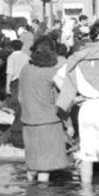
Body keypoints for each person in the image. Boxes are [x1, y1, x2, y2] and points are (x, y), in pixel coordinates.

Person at [56, 20, 99, 186]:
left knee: (86, 156)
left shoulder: (76, 57)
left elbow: (58, 78)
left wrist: (74, 97)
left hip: (86, 108)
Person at [17, 36, 68, 182]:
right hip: (48, 122)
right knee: (44, 169)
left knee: (32, 165)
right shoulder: (51, 71)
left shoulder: (25, 69)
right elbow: (66, 91)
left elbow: (20, 96)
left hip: (28, 120)